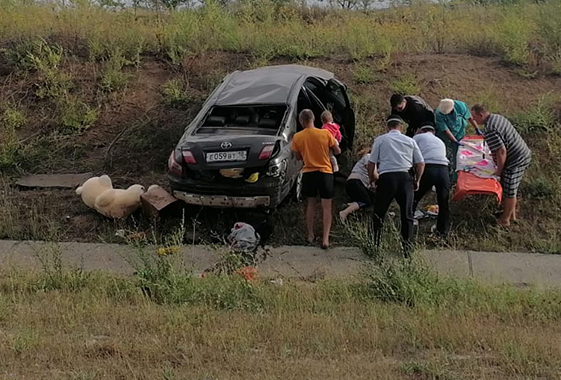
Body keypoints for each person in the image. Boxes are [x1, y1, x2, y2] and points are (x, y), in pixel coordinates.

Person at [368, 115, 425, 255]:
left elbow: (371, 163)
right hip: (405, 178)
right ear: (401, 128)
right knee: (407, 215)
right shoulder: (410, 141)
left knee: (378, 214)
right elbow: (420, 163)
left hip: (387, 178)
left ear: (387, 128)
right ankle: (407, 249)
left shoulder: (380, 140)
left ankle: (374, 246)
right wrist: (417, 180)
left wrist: (373, 178)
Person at [471, 104, 532, 227]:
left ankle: (504, 221)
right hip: (520, 153)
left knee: (510, 188)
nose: (473, 120)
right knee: (508, 185)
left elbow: (501, 151)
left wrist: (499, 171)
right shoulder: (497, 117)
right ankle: (511, 214)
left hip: (517, 159)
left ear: (481, 115)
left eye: (474, 117)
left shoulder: (490, 129)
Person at [291, 109, 341, 248]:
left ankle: (310, 235)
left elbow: (297, 157)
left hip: (309, 172)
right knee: (326, 207)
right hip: (325, 172)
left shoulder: (297, 137)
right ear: (314, 119)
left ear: (302, 121)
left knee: (310, 205)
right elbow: (337, 150)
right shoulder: (325, 133)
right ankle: (325, 239)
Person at [413, 125, 451, 237]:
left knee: (415, 196)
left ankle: (409, 222)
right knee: (443, 202)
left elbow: (412, 156)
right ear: (433, 132)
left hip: (428, 168)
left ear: (420, 130)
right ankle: (442, 233)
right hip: (443, 170)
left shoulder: (417, 138)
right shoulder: (440, 141)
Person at [435, 98, 481, 181]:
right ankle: (445, 174)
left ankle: (456, 177)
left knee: (458, 155)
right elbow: (445, 130)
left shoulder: (461, 106)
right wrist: (454, 140)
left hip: (459, 131)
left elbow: (470, 117)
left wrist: (476, 128)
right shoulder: (439, 114)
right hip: (445, 136)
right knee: (442, 154)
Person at [339, 148, 373, 222]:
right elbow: (370, 170)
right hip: (354, 183)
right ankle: (344, 213)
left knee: (373, 198)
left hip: (358, 185)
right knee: (366, 201)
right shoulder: (369, 157)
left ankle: (352, 205)